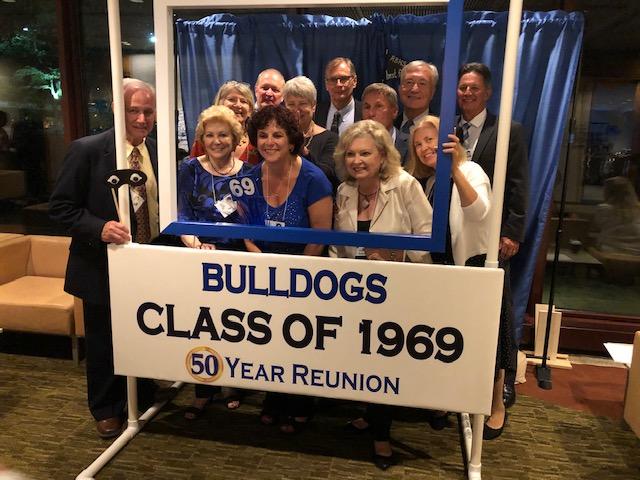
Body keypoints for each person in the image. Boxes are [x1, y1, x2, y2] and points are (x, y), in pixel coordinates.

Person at [49, 78, 160, 439]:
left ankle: (142, 397)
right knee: (103, 340)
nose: (142, 118)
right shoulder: (88, 150)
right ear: (117, 109)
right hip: (100, 265)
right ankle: (105, 408)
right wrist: (99, 228)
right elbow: (61, 208)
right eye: (134, 110)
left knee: (145, 331)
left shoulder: (159, 153)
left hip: (148, 266)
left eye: (148, 110)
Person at [329, 120, 432, 470]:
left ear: (383, 155)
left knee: (382, 364)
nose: (357, 160)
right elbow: (334, 244)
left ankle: (381, 437)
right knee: (359, 359)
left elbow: (429, 236)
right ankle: (368, 416)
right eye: (352, 154)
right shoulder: (344, 191)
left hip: (395, 292)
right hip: (351, 293)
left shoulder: (405, 186)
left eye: (365, 153)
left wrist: (394, 255)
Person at [244, 105, 333, 432]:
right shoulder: (249, 177)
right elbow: (246, 231)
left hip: (305, 274)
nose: (269, 141)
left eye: (277, 135)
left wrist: (296, 275)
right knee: (268, 338)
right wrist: (264, 267)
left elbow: (321, 235)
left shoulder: (314, 178)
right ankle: (273, 397)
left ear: (292, 141)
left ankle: (300, 401)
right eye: (263, 135)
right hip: (262, 274)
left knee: (299, 340)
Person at [456, 62, 529, 437]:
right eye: (462, 88)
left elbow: (518, 184)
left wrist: (512, 233)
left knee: (497, 318)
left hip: (491, 241)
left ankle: (502, 389)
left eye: (473, 88)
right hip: (457, 243)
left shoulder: (507, 131)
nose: (466, 94)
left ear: (487, 92)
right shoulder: (448, 130)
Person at [178, 105, 253, 418]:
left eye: (223, 134)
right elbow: (181, 214)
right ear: (202, 138)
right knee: (204, 327)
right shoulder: (189, 168)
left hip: (239, 259)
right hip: (200, 258)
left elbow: (253, 217)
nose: (216, 140)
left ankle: (234, 385)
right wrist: (196, 245)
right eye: (210, 135)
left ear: (235, 138)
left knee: (236, 326)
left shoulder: (248, 172)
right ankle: (204, 389)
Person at [283, 75, 339, 191]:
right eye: (291, 104)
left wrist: (303, 150)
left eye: (302, 104)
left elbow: (327, 175)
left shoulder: (330, 139)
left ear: (313, 106)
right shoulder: (278, 137)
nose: (297, 110)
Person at [189, 81, 256, 162]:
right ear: (220, 104)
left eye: (243, 101)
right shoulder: (204, 138)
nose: (238, 105)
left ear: (250, 110)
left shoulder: (256, 139)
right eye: (231, 99)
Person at [361, 83, 409, 166]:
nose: (371, 113)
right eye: (367, 107)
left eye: (378, 106)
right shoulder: (353, 145)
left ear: (394, 112)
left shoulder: (410, 146)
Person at [314, 57, 362, 135]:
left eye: (343, 79)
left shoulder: (366, 114)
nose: (338, 84)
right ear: (326, 84)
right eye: (333, 79)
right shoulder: (315, 114)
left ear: (354, 81)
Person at [397, 60, 439, 134]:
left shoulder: (441, 129)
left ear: (432, 92)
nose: (414, 89)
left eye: (422, 83)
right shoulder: (388, 125)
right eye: (409, 82)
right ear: (400, 88)